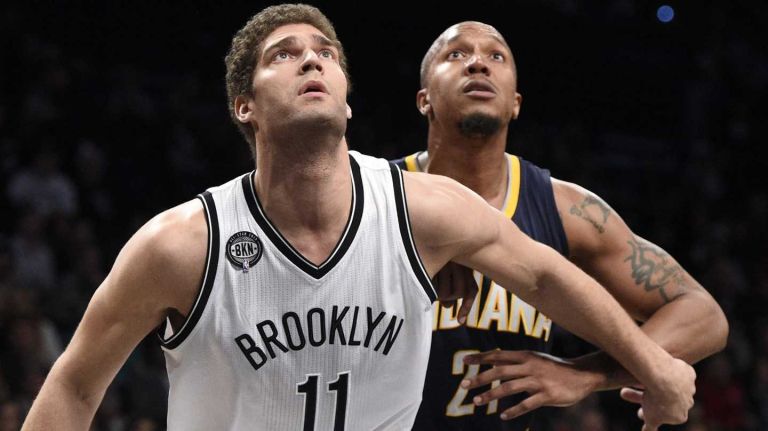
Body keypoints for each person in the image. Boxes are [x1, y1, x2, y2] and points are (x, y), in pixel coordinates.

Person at [22, 5, 696, 431]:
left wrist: (644, 365)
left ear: (347, 101)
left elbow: (545, 275)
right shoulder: (182, 244)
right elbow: (76, 383)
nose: (310, 57)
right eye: (282, 55)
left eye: (325, 52)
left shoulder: (421, 209)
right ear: (243, 106)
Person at [393, 21, 728, 430]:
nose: (478, 64)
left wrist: (586, 374)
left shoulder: (566, 209)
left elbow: (704, 316)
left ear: (515, 103)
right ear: (424, 99)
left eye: (496, 56)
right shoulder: (379, 196)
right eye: (456, 54)